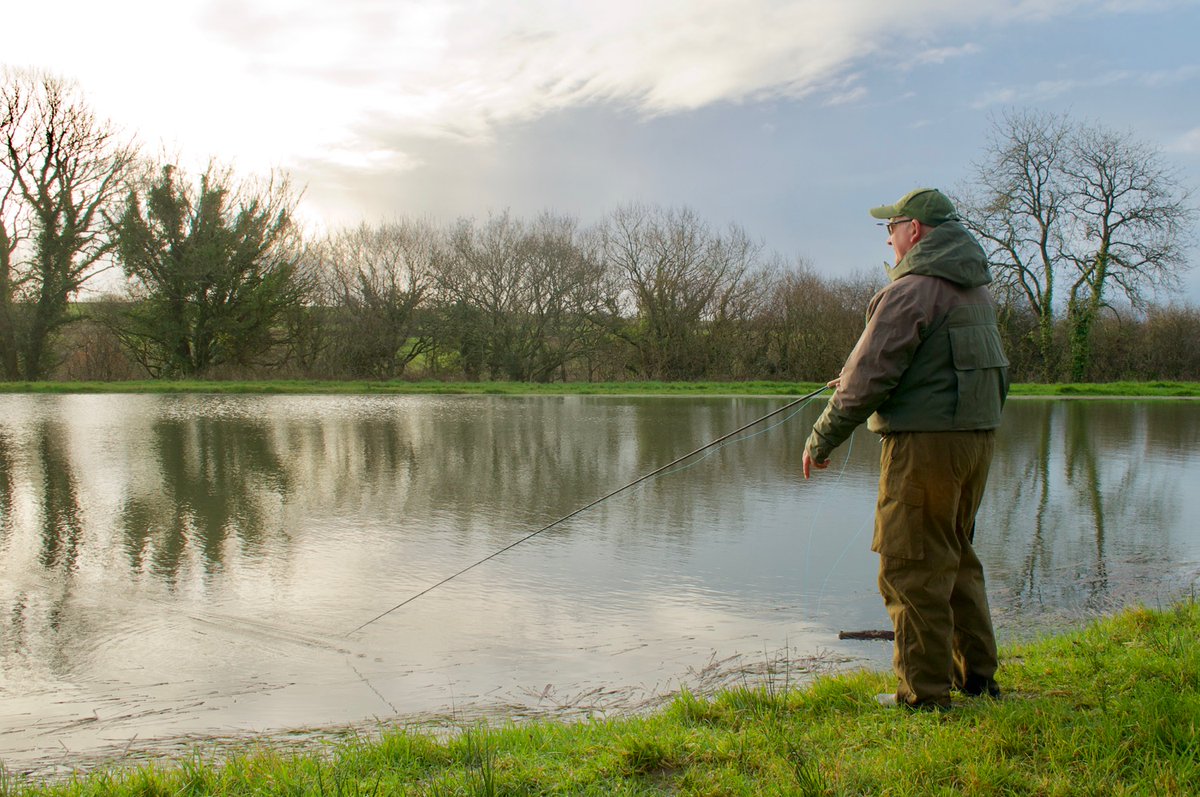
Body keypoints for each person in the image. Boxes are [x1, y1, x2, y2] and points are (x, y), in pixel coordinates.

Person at [802, 188, 1009, 711]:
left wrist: (821, 437)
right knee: (955, 557)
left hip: (924, 450)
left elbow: (865, 380)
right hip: (974, 445)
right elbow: (933, 366)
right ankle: (978, 680)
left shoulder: (911, 291)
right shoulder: (974, 291)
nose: (889, 237)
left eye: (890, 226)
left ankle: (923, 697)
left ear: (913, 230)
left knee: (910, 565)